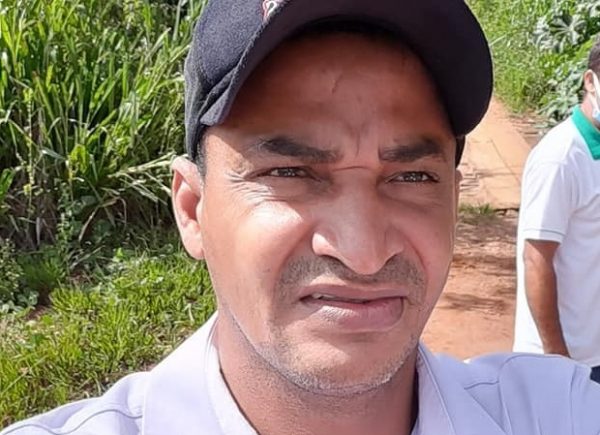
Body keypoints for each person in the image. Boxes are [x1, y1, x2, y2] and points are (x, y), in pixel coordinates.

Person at [3, 1, 600, 434]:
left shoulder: (560, 413)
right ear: (192, 209)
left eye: (412, 177)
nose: (362, 250)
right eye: (290, 172)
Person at [513, 40, 600, 382]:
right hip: (566, 360)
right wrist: (557, 359)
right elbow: (536, 259)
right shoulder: (561, 158)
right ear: (590, 81)